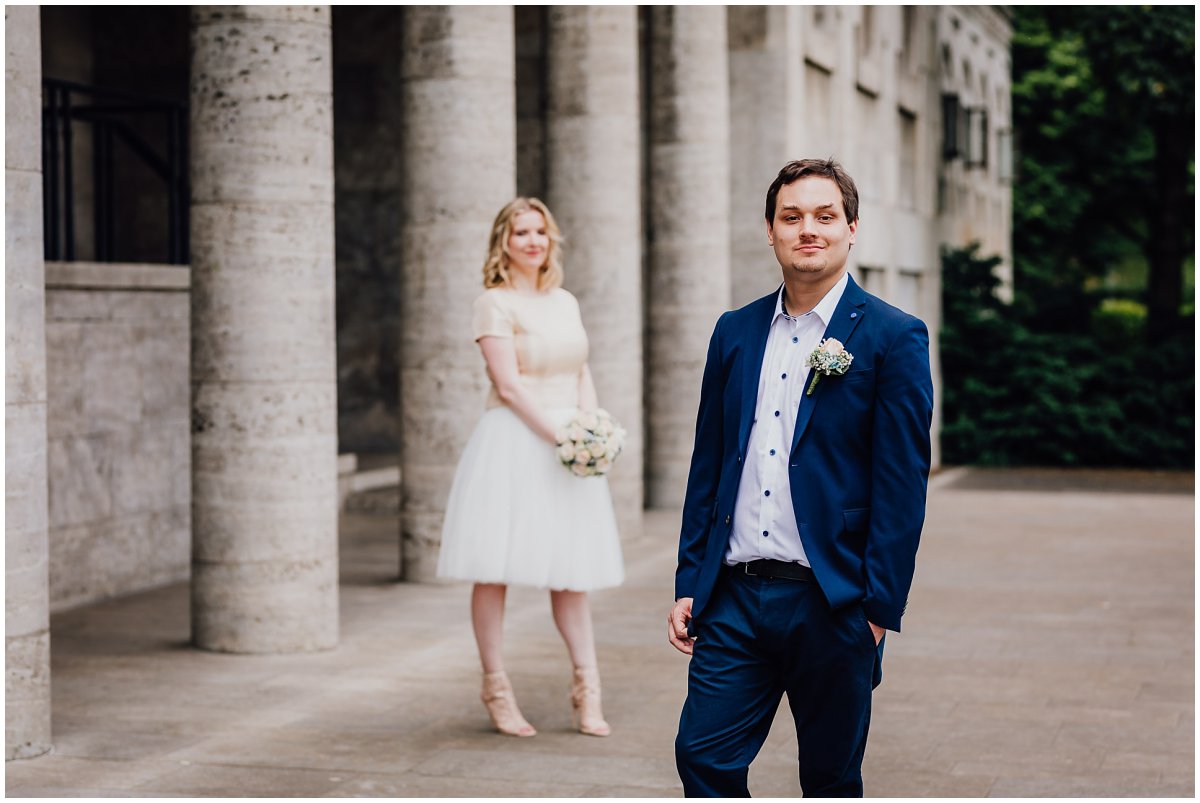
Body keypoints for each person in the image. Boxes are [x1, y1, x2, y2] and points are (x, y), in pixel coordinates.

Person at [668, 159, 934, 796]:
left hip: (833, 601)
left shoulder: (894, 337)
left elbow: (903, 485)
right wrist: (689, 577)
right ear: (770, 231)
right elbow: (709, 465)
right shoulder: (734, 331)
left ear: (851, 228)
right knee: (701, 756)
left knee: (829, 777)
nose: (807, 229)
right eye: (792, 217)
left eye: (824, 216)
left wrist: (877, 609)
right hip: (733, 596)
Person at [437, 197, 624, 738]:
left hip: (568, 444)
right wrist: (560, 434)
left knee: (571, 574)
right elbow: (509, 385)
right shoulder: (493, 304)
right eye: (521, 232)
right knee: (495, 569)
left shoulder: (565, 301)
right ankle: (496, 687)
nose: (532, 241)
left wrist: (592, 425)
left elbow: (580, 368)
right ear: (504, 242)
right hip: (516, 441)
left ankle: (587, 692)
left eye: (540, 231)